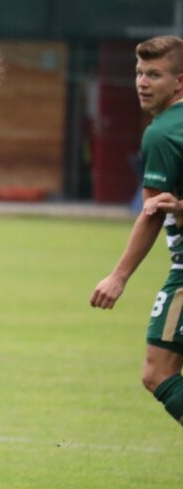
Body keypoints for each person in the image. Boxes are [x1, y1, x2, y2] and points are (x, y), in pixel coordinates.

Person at [90, 35, 183, 430]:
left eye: (154, 75)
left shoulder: (163, 133)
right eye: (139, 73)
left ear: (179, 82)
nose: (143, 83)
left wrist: (119, 276)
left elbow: (151, 214)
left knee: (157, 372)